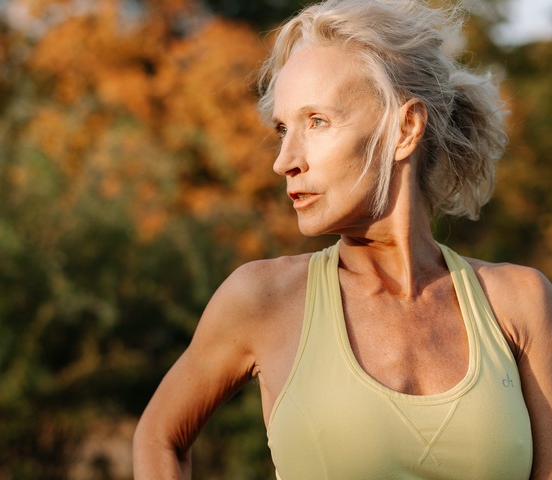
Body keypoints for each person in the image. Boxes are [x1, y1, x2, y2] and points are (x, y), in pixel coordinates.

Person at [133, 0, 552, 478]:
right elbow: (159, 437)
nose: (284, 160)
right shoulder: (263, 300)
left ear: (405, 129)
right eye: (282, 129)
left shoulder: (518, 304)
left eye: (316, 122)